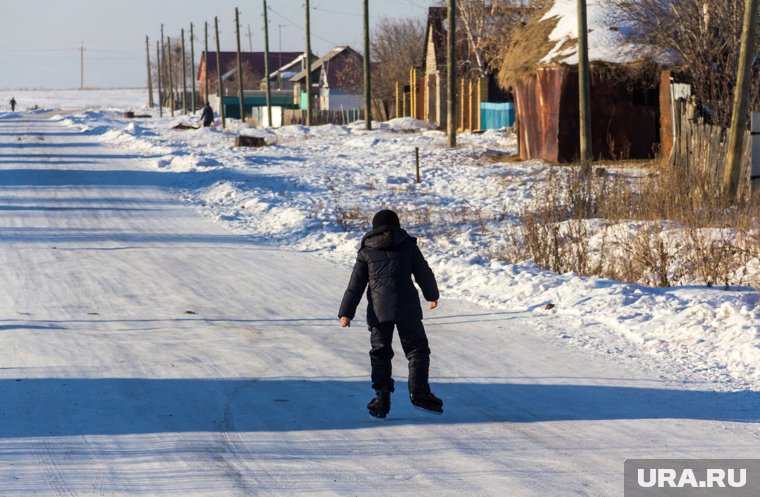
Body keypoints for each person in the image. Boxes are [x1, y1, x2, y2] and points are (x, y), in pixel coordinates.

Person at [339, 209, 443, 419]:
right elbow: (423, 271)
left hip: (379, 312)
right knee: (417, 350)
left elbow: (355, 285)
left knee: (380, 352)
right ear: (396, 225)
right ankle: (420, 393)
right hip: (408, 309)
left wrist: (346, 313)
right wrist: (431, 295)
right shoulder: (408, 245)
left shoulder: (366, 251)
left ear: (374, 227)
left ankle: (382, 398)